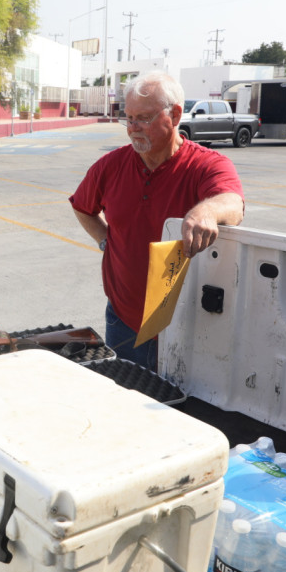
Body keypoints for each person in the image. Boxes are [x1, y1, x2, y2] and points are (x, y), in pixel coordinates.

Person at [70, 71, 244, 369]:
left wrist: (206, 212)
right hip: (123, 320)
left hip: (186, 326)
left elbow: (232, 202)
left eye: (145, 118)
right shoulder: (110, 166)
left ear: (175, 115)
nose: (133, 128)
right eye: (129, 118)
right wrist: (105, 240)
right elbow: (82, 207)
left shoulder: (206, 164)